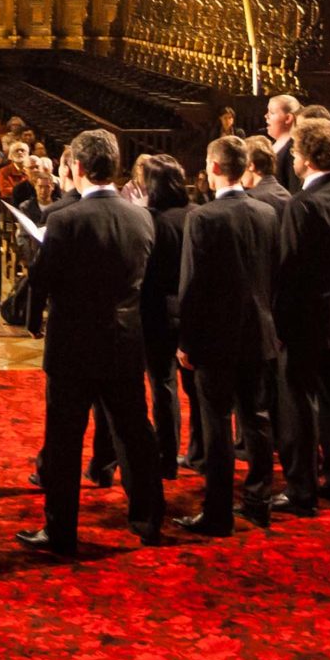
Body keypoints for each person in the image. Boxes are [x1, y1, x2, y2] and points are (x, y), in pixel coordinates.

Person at [19, 130, 163, 555]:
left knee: (65, 439)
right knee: (135, 432)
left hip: (73, 344)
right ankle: (149, 518)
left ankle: (61, 530)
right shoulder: (142, 216)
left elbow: (43, 281)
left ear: (77, 168)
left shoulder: (66, 219)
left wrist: (34, 254)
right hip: (123, 339)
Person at [175, 135, 282, 535]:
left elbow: (192, 287)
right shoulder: (266, 213)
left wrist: (185, 341)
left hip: (216, 339)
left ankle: (218, 511)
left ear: (215, 168)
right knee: (257, 419)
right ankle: (259, 501)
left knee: (217, 422)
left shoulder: (203, 218)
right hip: (258, 331)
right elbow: (274, 274)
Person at [272, 116, 330, 515]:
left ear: (308, 157)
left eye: (294, 151)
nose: (292, 158)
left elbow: (289, 271)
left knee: (299, 407)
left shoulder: (303, 204)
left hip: (303, 320)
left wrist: (277, 325)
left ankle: (301, 490)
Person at [136, 153, 193, 478]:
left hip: (156, 311)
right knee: (196, 391)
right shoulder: (196, 214)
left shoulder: (150, 219)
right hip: (190, 309)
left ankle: (166, 456)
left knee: (163, 386)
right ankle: (197, 451)